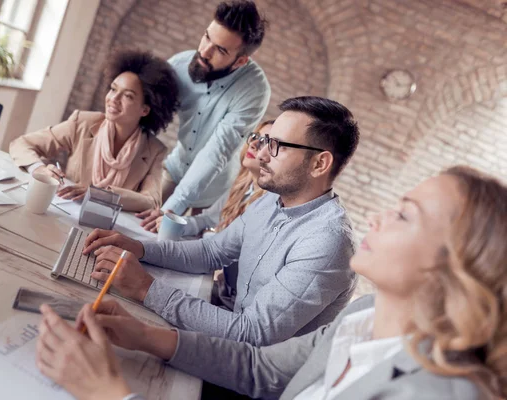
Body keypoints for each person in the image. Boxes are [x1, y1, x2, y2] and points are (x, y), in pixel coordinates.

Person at [36, 165, 507, 400]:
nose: (381, 217)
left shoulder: (437, 393)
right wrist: (147, 336)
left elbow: (252, 337)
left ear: (459, 266)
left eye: (405, 214)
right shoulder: (366, 317)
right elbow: (261, 368)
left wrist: (108, 392)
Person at [81, 96, 361, 346]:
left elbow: (252, 333)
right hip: (228, 343)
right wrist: (139, 248)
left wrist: (145, 288)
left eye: (277, 146)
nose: (261, 153)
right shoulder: (270, 201)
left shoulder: (327, 241)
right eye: (265, 141)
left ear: (319, 164)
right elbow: (212, 251)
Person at [137, 0, 271, 226]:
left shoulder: (255, 90)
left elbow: (216, 151)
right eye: (207, 37)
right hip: (176, 167)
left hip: (214, 188)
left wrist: (171, 210)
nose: (204, 51)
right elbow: (144, 118)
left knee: (189, 251)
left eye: (220, 49)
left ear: (240, 61)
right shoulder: (178, 65)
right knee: (140, 224)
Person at [9, 51, 179, 212]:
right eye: (113, 89)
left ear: (145, 110)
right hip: (62, 214)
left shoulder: (155, 150)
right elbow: (22, 144)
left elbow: (151, 201)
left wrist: (100, 195)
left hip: (107, 229)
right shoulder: (82, 123)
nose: (113, 99)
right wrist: (39, 169)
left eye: (127, 96)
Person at [154, 119, 272, 310]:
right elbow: (209, 218)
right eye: (256, 136)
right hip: (219, 283)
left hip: (233, 301)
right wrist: (178, 223)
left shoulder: (268, 202)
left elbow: (230, 253)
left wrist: (210, 233)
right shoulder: (243, 182)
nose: (254, 144)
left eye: (266, 142)